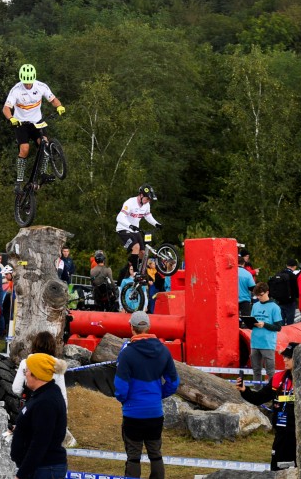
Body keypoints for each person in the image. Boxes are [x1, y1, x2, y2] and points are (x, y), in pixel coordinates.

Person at [114, 311, 179, 479]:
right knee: (155, 454)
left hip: (133, 413)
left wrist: (124, 400)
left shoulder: (127, 353)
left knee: (133, 457)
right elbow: (173, 382)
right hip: (155, 412)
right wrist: (158, 395)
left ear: (131, 328)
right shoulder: (163, 351)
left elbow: (120, 387)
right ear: (149, 327)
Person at [2, 63, 65, 195]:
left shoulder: (41, 86)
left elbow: (53, 99)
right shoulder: (16, 90)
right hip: (22, 124)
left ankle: (43, 173)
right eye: (25, 83)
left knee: (45, 144)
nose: (28, 85)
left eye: (30, 82)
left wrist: (59, 106)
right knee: (24, 149)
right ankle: (19, 181)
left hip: (37, 122)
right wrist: (11, 118)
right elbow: (6, 108)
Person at [237, 343, 298, 471]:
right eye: (284, 356)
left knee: (297, 470)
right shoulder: (278, 378)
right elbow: (258, 398)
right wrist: (244, 390)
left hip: (300, 436)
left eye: (289, 357)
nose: (284, 359)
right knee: (277, 469)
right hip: (281, 433)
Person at [10, 353, 68, 479]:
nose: (25, 374)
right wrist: (20, 428)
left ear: (36, 374)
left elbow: (41, 442)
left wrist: (21, 475)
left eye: (27, 371)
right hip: (40, 467)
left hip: (44, 468)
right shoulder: (42, 394)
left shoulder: (46, 401)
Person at [12, 331, 68, 406]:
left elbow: (16, 389)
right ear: (53, 347)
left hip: (30, 404)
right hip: (50, 406)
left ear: (34, 345)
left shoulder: (25, 363)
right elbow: (62, 393)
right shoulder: (57, 365)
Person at [116, 184, 162, 272]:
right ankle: (135, 271)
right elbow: (119, 217)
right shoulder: (130, 203)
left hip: (134, 230)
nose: (148, 201)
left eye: (150, 200)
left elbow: (148, 216)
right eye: (147, 199)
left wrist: (156, 224)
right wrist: (129, 225)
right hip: (123, 229)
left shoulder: (146, 205)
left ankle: (132, 268)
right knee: (136, 247)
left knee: (143, 253)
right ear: (141, 195)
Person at [250, 282, 283, 386]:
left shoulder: (274, 307)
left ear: (267, 292)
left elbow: (278, 327)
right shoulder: (255, 305)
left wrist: (264, 324)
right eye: (257, 295)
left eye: (261, 295)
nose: (259, 297)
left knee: (270, 371)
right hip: (255, 342)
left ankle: (271, 391)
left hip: (267, 343)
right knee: (256, 369)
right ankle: (256, 390)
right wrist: (250, 323)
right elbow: (251, 322)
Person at [268, 259, 299, 326]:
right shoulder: (292, 276)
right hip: (290, 302)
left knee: (281, 320)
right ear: (295, 266)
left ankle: (281, 334)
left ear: (286, 265)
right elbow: (295, 290)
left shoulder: (278, 274)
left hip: (279, 301)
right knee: (290, 322)